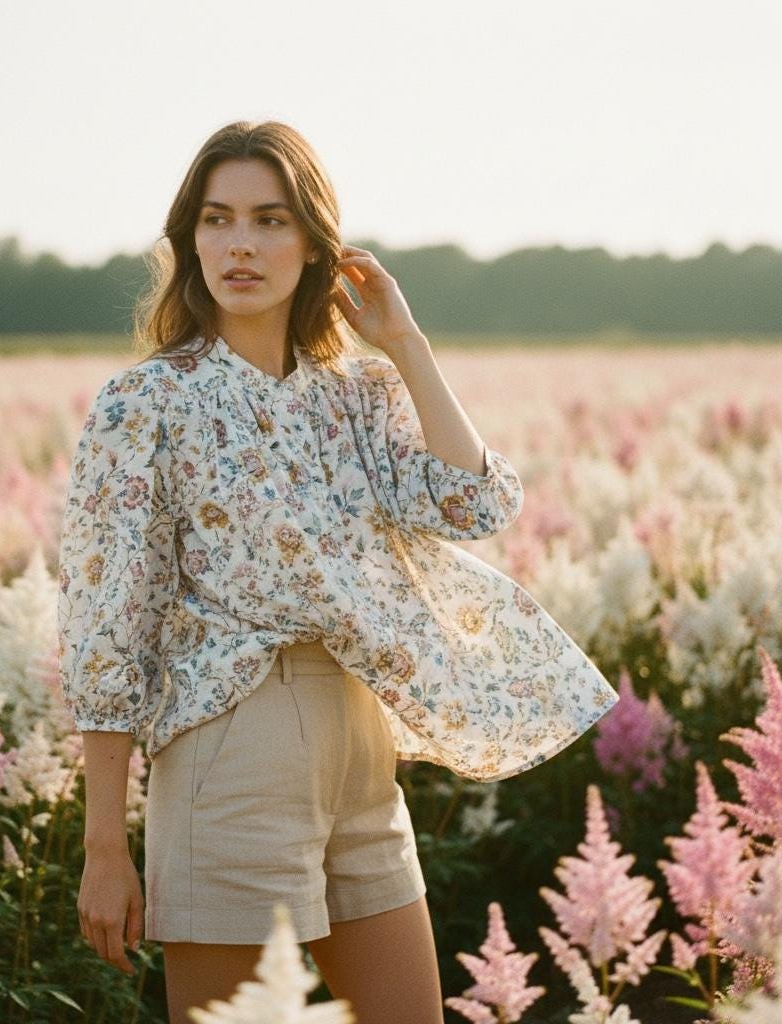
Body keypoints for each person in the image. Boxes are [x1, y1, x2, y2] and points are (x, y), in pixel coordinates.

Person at [57, 120, 619, 1024]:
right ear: (189, 238)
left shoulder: (358, 391)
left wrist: (407, 344)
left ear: (316, 243)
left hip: (363, 744)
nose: (241, 243)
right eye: (217, 218)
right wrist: (104, 846)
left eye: (271, 220)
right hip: (228, 743)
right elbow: (106, 625)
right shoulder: (146, 401)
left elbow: (476, 505)